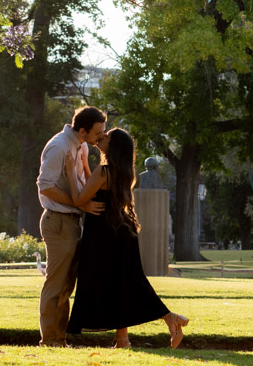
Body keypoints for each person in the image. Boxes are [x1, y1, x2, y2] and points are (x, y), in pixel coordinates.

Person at [64, 128, 189, 348]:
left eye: (106, 137)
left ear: (113, 147)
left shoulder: (103, 171)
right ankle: (126, 337)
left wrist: (68, 172)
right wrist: (84, 162)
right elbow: (94, 185)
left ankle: (167, 319)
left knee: (107, 282)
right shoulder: (123, 172)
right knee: (123, 283)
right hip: (121, 230)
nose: (101, 137)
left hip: (103, 234)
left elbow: (79, 197)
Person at [36, 106, 107, 347]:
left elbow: (83, 184)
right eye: (98, 132)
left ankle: (59, 339)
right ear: (83, 130)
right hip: (58, 220)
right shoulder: (59, 147)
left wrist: (82, 203)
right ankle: (49, 340)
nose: (101, 137)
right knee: (55, 284)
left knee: (67, 286)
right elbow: (45, 186)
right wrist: (81, 204)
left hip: (74, 222)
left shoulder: (82, 146)